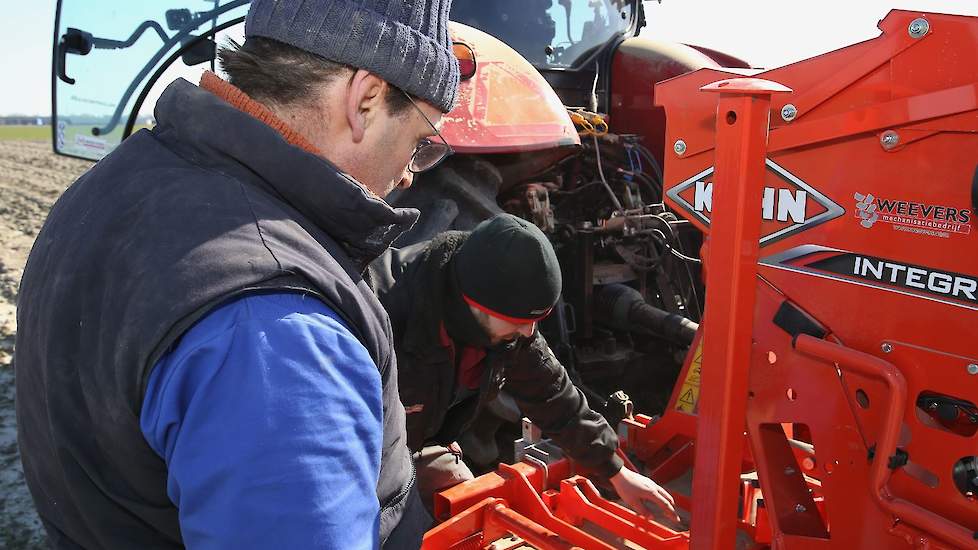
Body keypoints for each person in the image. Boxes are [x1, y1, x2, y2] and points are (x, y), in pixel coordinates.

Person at [15, 0, 459, 548]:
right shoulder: (280, 332)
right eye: (420, 142)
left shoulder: (114, 185)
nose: (412, 174)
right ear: (366, 99)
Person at [368, 214, 678, 520]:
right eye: (520, 323)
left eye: (535, 322)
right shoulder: (378, 312)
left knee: (469, 514)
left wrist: (616, 471)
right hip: (357, 457)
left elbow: (553, 396)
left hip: (415, 443)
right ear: (472, 304)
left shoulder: (506, 321)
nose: (529, 333)